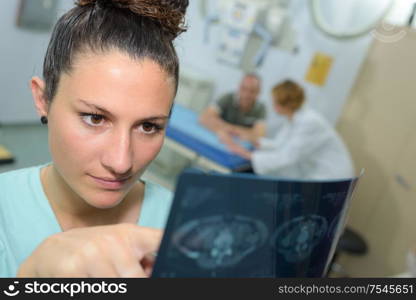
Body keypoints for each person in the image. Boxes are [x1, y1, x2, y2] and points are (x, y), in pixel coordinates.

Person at [0, 0, 188, 278]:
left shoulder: (182, 221)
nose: (121, 162)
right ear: (43, 99)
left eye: (148, 126)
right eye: (95, 118)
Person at [224, 80, 355, 180]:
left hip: (331, 175)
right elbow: (281, 144)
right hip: (314, 171)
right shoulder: (293, 118)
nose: (273, 105)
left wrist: (247, 154)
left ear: (285, 104)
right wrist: (255, 142)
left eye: (275, 102)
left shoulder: (309, 122)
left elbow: (287, 157)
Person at [199, 73, 266, 143]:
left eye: (252, 91)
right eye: (244, 89)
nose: (246, 94)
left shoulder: (260, 108)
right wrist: (242, 132)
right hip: (219, 139)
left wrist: (229, 129)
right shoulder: (227, 98)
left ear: (258, 92)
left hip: (240, 145)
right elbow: (204, 118)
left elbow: (259, 135)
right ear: (239, 88)